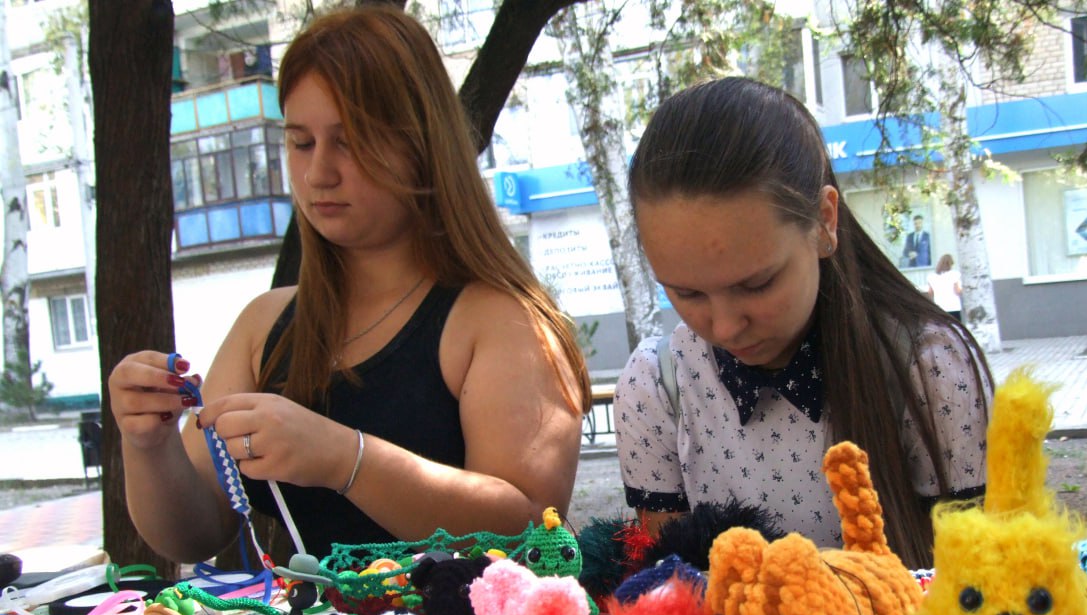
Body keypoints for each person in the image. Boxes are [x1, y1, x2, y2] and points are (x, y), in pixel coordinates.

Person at [108, 7, 589, 564]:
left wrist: (346, 460)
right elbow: (195, 533)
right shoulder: (266, 325)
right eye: (301, 142)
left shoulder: (500, 319)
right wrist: (149, 443)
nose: (319, 174)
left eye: (350, 139)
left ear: (421, 142)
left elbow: (532, 535)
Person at [614, 77, 993, 569]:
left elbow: (982, 597)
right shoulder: (658, 388)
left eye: (756, 285)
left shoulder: (929, 368)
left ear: (824, 222)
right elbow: (670, 603)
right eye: (686, 293)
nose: (726, 327)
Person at [926, 254, 964, 322]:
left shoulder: (931, 276)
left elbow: (930, 293)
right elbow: (957, 291)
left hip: (940, 307)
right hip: (954, 306)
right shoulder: (955, 274)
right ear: (950, 264)